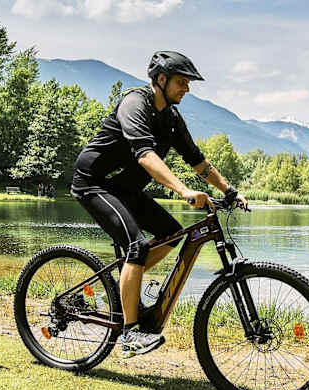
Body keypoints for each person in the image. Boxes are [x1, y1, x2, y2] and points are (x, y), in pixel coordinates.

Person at [71, 51, 248, 358]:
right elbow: (145, 155)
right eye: (182, 82)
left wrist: (229, 191)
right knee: (137, 246)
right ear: (161, 79)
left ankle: (122, 285)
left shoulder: (171, 119)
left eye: (189, 83)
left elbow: (197, 160)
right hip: (94, 183)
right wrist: (183, 190)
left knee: (171, 234)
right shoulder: (134, 104)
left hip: (124, 189)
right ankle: (130, 334)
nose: (187, 88)